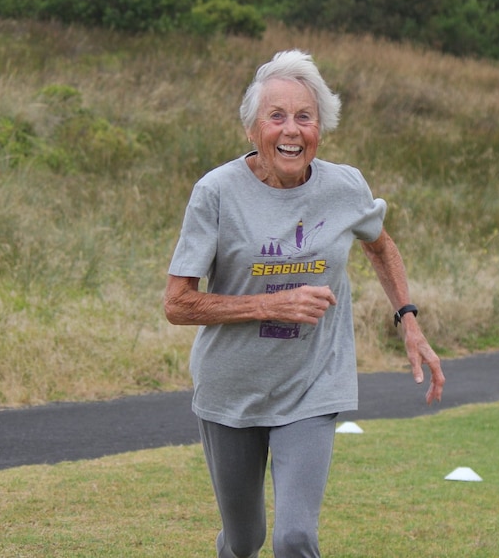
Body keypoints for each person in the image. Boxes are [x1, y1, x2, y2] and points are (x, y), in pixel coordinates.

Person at [164, 49, 445, 558]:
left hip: (313, 383)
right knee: (245, 539)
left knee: (295, 538)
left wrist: (408, 318)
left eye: (304, 116)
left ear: (320, 127)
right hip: (231, 389)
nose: (291, 130)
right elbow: (178, 304)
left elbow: (380, 245)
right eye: (276, 116)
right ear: (252, 129)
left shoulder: (345, 186)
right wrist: (270, 306)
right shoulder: (216, 193)